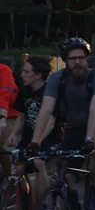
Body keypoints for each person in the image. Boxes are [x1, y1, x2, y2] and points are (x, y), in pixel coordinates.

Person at [29, 38, 95, 210]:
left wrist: (90, 139)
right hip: (74, 126)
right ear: (65, 61)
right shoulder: (57, 78)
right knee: (66, 173)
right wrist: (34, 143)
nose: (77, 62)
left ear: (87, 59)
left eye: (81, 58)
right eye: (73, 58)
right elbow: (46, 110)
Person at [3, 56, 55, 194]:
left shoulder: (49, 92)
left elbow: (50, 122)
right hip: (28, 136)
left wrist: (37, 141)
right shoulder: (25, 90)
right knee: (17, 169)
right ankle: (24, 202)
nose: (22, 75)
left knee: (38, 163)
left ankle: (43, 204)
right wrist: (14, 133)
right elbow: (21, 115)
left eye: (26, 72)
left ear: (38, 75)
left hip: (46, 138)